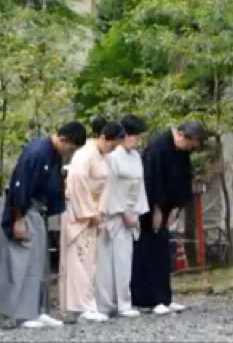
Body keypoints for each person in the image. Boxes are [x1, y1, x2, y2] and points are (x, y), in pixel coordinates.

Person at [0, 121, 87, 329]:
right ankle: (22, 314)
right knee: (23, 262)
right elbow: (19, 184)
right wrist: (18, 218)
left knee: (38, 263)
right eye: (71, 148)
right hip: (23, 209)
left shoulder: (53, 154)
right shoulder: (36, 152)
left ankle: (39, 310)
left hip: (38, 212)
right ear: (63, 139)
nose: (70, 153)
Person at [130, 120, 205, 315]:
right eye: (189, 144)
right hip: (150, 207)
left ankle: (164, 297)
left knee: (164, 252)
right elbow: (150, 178)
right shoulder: (158, 145)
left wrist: (177, 207)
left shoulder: (182, 151)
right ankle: (149, 299)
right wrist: (154, 208)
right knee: (148, 252)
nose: (188, 150)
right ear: (180, 135)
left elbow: (183, 179)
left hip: (168, 208)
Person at [59, 119, 124, 322]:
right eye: (112, 145)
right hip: (79, 213)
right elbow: (77, 183)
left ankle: (88, 304)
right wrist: (89, 212)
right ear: (104, 138)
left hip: (94, 212)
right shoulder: (84, 155)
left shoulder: (105, 158)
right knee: (77, 261)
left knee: (90, 262)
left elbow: (106, 187)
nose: (113, 150)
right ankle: (79, 307)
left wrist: (100, 212)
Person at [96, 114, 150, 319]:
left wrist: (136, 211)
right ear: (126, 135)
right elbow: (111, 186)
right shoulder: (112, 156)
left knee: (125, 258)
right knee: (108, 259)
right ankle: (106, 303)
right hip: (114, 212)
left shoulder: (136, 156)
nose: (137, 141)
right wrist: (123, 211)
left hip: (132, 209)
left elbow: (140, 185)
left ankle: (124, 302)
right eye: (136, 137)